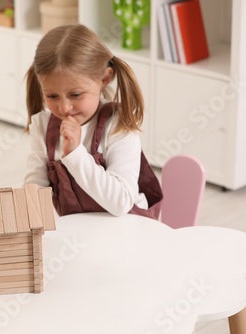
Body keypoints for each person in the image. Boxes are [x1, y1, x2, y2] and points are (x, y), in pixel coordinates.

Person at [24, 24, 162, 218]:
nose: (63, 108)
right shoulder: (43, 127)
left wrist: (75, 154)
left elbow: (120, 203)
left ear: (104, 79)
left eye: (75, 94)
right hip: (81, 237)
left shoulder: (119, 126)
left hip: (129, 230)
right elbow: (35, 187)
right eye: (52, 96)